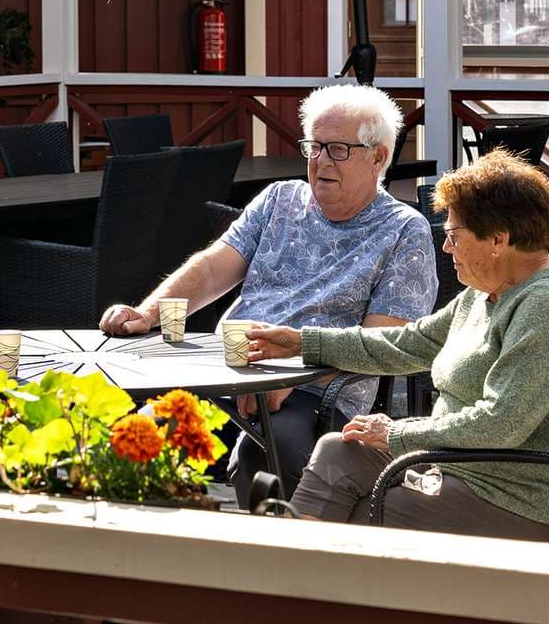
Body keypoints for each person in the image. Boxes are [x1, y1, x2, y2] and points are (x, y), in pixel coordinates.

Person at [98, 84, 436, 507]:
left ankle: (274, 564)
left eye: (337, 149)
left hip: (317, 393)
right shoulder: (279, 199)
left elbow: (383, 345)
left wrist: (290, 374)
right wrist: (148, 313)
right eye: (313, 147)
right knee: (136, 439)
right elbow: (212, 267)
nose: (320, 161)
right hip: (226, 373)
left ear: (378, 157)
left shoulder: (404, 230)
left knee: (265, 454)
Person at [246, 151, 549, 543]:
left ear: (499, 240)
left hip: (518, 499)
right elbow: (408, 343)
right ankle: (301, 576)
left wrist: (399, 434)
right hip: (458, 467)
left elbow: (500, 423)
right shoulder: (485, 294)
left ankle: (307, 581)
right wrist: (301, 342)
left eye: (454, 236)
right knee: (339, 451)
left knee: (364, 513)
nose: (447, 248)